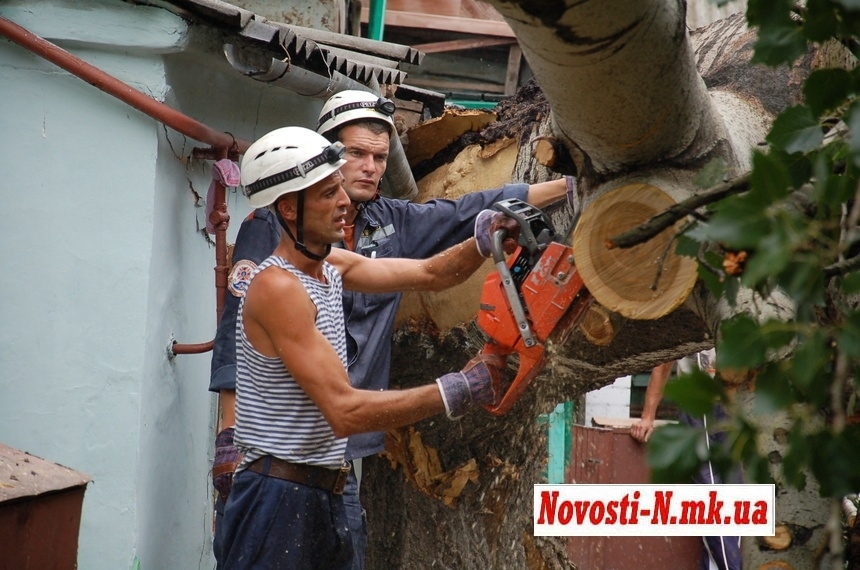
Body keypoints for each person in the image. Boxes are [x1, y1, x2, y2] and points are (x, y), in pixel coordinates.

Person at [209, 90, 570, 565]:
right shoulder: (277, 287)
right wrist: (458, 389)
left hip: (330, 483)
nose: (346, 199)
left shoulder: (333, 260)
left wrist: (483, 238)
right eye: (328, 192)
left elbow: (430, 274)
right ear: (290, 210)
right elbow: (345, 411)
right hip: (279, 496)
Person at [630, 349, 742, 570]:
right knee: (711, 498)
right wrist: (647, 417)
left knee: (734, 503)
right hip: (697, 406)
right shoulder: (686, 319)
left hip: (734, 407)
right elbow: (663, 365)